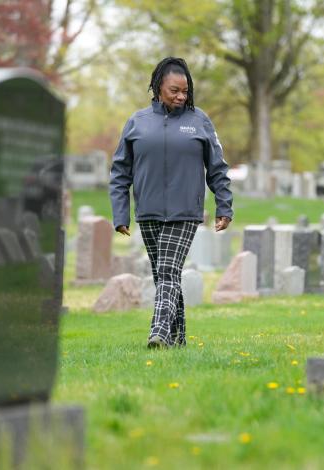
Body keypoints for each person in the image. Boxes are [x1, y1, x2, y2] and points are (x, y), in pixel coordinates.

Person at [109, 57, 233, 348]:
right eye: (174, 90)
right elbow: (120, 172)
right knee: (167, 275)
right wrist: (120, 214)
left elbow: (218, 167)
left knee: (166, 271)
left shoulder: (199, 121)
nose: (181, 96)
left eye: (185, 91)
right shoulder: (136, 122)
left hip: (185, 212)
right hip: (148, 212)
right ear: (157, 88)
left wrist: (224, 206)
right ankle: (178, 340)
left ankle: (159, 333)